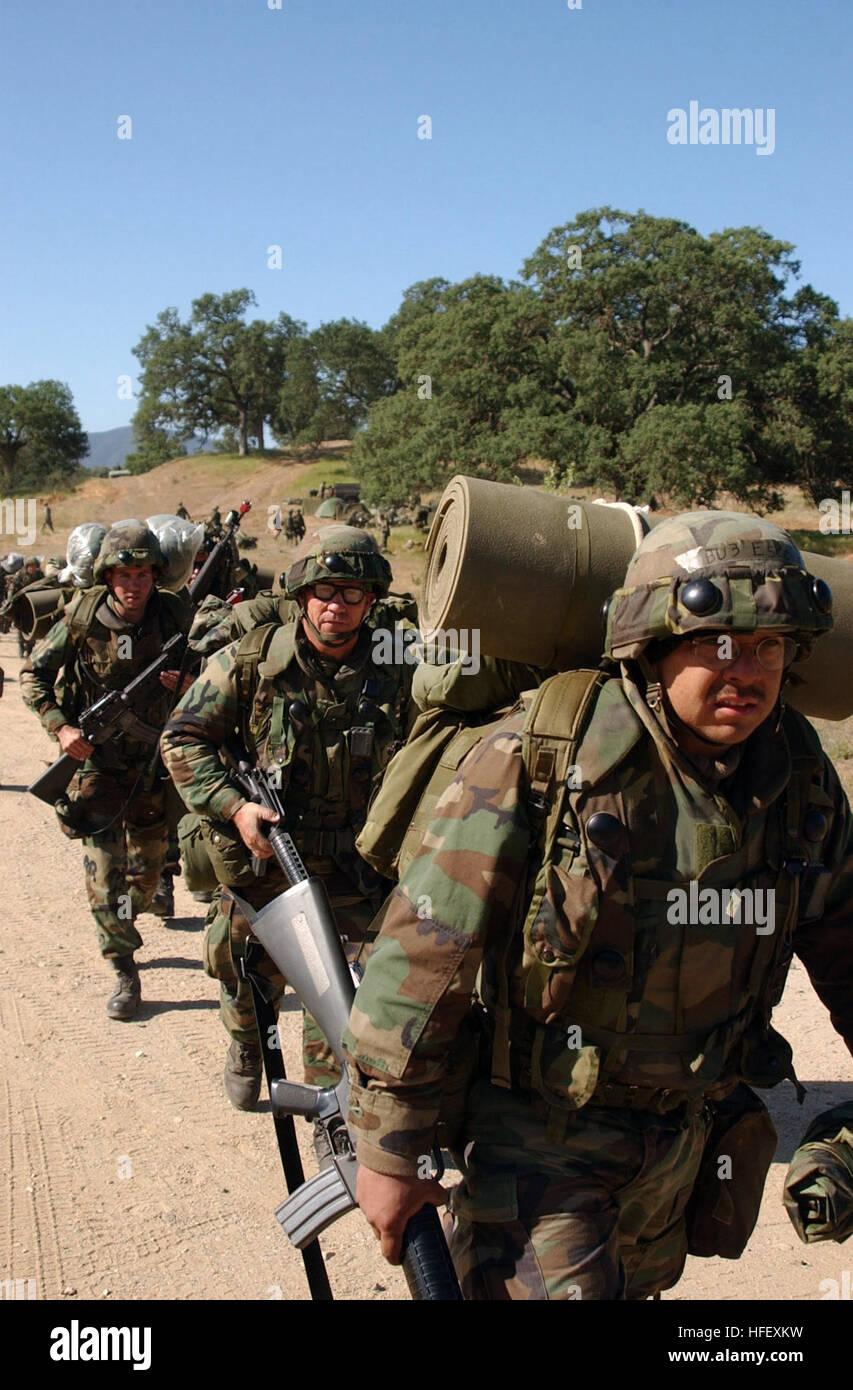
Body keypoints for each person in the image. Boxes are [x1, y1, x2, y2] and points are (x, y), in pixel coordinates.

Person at [344, 510, 853, 1300]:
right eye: (713, 645)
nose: (744, 672)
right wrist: (389, 1146)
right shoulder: (542, 755)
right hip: (536, 1142)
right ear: (651, 646)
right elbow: (423, 953)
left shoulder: (796, 775)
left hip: (684, 1143)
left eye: (768, 648)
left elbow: (843, 933)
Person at [160, 526, 416, 1126]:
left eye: (353, 594)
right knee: (247, 974)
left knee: (345, 993)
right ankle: (249, 1044)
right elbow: (182, 737)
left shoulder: (400, 663)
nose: (337, 606)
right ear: (301, 594)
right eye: (324, 591)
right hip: (270, 858)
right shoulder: (250, 661)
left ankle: (334, 1113)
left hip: (361, 864)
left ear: (371, 600)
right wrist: (234, 806)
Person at [21, 522, 193, 1019]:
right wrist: (60, 728)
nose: (134, 584)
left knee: (149, 873)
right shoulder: (81, 616)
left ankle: (128, 914)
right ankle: (123, 966)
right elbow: (33, 673)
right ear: (107, 576)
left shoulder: (173, 613)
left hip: (152, 767)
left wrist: (185, 684)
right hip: (96, 766)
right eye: (124, 574)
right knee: (105, 879)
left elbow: (210, 672)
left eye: (143, 573)